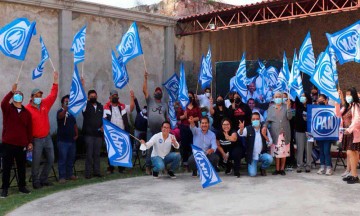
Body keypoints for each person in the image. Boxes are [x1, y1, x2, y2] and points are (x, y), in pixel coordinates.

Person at [26, 71, 58, 189]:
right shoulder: (27, 109)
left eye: (40, 96)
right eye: (36, 96)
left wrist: (55, 81)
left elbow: (53, 95)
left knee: (51, 159)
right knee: (36, 161)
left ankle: (44, 179)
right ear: (32, 97)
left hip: (47, 137)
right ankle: (35, 182)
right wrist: (28, 141)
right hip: (36, 140)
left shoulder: (44, 104)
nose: (39, 98)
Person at [1, 84, 32, 198]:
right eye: (16, 94)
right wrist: (11, 92)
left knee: (21, 167)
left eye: (20, 95)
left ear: (22, 98)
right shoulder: (8, 108)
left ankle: (22, 186)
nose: (18, 96)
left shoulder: (26, 112)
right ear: (14, 97)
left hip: (21, 144)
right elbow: (3, 103)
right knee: (7, 167)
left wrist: (29, 142)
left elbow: (29, 128)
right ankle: (5, 189)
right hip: (8, 144)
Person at [143, 71, 168, 175]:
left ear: (161, 94)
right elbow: (144, 90)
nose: (158, 92)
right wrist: (145, 78)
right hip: (151, 129)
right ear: (154, 94)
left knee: (163, 149)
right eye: (156, 91)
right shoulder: (150, 101)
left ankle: (162, 166)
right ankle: (148, 167)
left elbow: (166, 118)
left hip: (162, 131)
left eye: (159, 91)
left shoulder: (164, 104)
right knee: (149, 147)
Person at [104, 90, 134, 174]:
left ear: (118, 97)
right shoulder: (105, 107)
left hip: (122, 132)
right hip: (111, 133)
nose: (115, 97)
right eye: (113, 96)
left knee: (122, 150)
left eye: (116, 96)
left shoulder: (123, 106)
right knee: (111, 151)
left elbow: (131, 108)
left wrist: (132, 97)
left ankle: (121, 168)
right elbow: (104, 120)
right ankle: (111, 168)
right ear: (110, 98)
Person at [263, 91, 292, 175]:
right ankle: (277, 169)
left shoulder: (285, 106)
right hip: (275, 134)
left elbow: (289, 117)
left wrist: (288, 107)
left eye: (279, 96)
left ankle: (282, 169)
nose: (278, 98)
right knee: (276, 152)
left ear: (282, 98)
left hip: (284, 133)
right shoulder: (271, 108)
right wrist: (264, 126)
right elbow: (268, 120)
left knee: (283, 152)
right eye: (276, 97)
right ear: (273, 98)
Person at [336, 88, 360, 184]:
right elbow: (337, 114)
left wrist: (350, 129)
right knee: (350, 154)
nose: (347, 96)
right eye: (346, 95)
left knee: (351, 153)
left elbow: (357, 120)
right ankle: (353, 174)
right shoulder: (347, 107)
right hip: (346, 133)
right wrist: (337, 101)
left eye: (349, 94)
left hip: (353, 133)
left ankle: (355, 175)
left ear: (353, 95)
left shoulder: (356, 106)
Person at [238, 112, 273, 177]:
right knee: (252, 174)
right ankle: (253, 165)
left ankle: (262, 168)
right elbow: (241, 134)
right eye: (253, 119)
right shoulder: (247, 129)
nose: (255, 120)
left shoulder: (264, 129)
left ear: (260, 120)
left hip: (262, 154)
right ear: (251, 120)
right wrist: (241, 130)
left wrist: (264, 135)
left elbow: (270, 142)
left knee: (270, 159)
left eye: (257, 119)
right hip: (252, 156)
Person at [56, 95, 78, 183]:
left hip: (71, 140)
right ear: (62, 103)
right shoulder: (60, 111)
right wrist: (65, 108)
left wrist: (76, 134)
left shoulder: (72, 113)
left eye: (68, 101)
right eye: (66, 101)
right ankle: (62, 176)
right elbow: (60, 117)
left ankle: (70, 174)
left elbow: (74, 124)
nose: (67, 102)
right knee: (62, 159)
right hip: (62, 140)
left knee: (71, 159)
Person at [82, 89, 103, 179]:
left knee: (97, 154)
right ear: (88, 97)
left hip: (98, 135)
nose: (93, 98)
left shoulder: (100, 106)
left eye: (94, 96)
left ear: (97, 96)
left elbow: (103, 118)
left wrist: (103, 126)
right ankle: (88, 173)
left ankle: (97, 171)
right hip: (89, 134)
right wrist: (82, 86)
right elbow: (81, 98)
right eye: (91, 97)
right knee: (89, 154)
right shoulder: (85, 105)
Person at [177, 91, 200, 167]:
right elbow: (178, 117)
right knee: (184, 144)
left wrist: (193, 119)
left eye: (191, 96)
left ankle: (193, 161)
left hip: (193, 127)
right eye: (188, 96)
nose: (189, 97)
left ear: (193, 98)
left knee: (193, 143)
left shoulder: (196, 107)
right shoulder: (182, 106)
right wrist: (184, 116)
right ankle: (185, 161)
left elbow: (199, 117)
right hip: (184, 127)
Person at [315, 94, 334, 176]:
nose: (320, 101)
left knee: (326, 151)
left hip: (328, 134)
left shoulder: (331, 109)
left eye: (322, 99)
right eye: (319, 99)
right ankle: (322, 167)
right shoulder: (316, 109)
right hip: (319, 133)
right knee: (321, 151)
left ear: (326, 100)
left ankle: (329, 168)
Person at [294, 93, 313, 173]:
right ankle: (299, 165)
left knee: (309, 149)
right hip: (299, 131)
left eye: (304, 96)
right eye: (301, 96)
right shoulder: (297, 108)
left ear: (307, 98)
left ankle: (308, 165)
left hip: (310, 132)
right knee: (300, 149)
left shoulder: (311, 108)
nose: (302, 97)